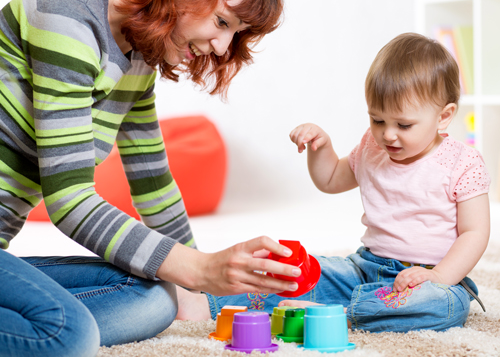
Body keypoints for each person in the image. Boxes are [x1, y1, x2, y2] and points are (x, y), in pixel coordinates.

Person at [0, 0, 301, 356]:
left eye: (235, 33)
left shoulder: (137, 59)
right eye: (223, 22)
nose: (223, 47)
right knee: (66, 335)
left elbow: (154, 185)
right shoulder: (67, 14)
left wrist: (194, 289)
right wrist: (199, 269)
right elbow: (69, 200)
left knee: (156, 297)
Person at [175, 32, 491, 333]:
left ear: (444, 117)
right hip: (365, 268)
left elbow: (475, 234)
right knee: (297, 273)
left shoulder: (462, 163)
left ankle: (341, 313)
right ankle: (206, 303)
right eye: (377, 120)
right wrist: (321, 148)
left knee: (444, 308)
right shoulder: (373, 146)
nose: (388, 134)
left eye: (404, 125)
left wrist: (437, 277)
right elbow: (330, 180)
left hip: (433, 276)